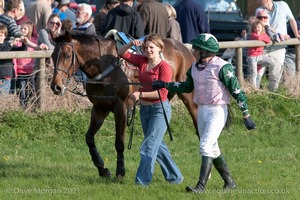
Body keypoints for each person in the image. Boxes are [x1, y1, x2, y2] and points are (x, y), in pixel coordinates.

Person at [152, 33, 256, 193]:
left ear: (205, 52)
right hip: (202, 110)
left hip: (218, 111)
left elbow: (237, 92)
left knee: (205, 145)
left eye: (196, 49)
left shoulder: (222, 67)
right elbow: (186, 87)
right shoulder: (194, 66)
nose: (193, 51)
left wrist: (246, 115)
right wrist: (165, 84)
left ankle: (200, 186)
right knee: (213, 148)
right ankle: (229, 182)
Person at [117, 33, 183, 186]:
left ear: (160, 48)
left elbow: (162, 93)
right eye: (145, 47)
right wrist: (131, 44)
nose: (148, 50)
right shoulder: (142, 61)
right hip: (145, 111)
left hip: (159, 110)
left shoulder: (164, 67)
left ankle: (141, 183)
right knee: (157, 146)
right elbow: (121, 53)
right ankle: (175, 177)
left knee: (148, 147)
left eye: (151, 47)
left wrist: (141, 94)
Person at [256, 0, 300, 91]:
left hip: (279, 48)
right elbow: (267, 27)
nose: (257, 1)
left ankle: (273, 95)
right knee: (257, 73)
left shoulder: (283, 5)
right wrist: (281, 35)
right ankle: (253, 92)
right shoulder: (259, 11)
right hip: (263, 47)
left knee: (275, 75)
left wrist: (296, 35)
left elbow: (291, 19)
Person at [14, 21, 47, 108]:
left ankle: (31, 108)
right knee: (22, 92)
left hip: (31, 71)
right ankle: (23, 108)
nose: (23, 30)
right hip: (20, 72)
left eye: (25, 29)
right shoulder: (17, 42)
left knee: (31, 92)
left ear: (30, 30)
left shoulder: (34, 41)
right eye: (21, 28)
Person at [0, 23, 26, 95]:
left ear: (5, 36)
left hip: (8, 76)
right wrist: (11, 44)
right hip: (1, 76)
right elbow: (2, 51)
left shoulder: (7, 45)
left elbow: (21, 49)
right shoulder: (8, 45)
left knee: (7, 96)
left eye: (1, 35)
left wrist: (24, 42)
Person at [246, 20, 273, 89]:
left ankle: (259, 65)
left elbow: (269, 39)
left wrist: (263, 37)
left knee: (271, 61)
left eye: (258, 27)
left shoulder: (264, 34)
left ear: (262, 28)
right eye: (255, 27)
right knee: (254, 73)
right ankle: (254, 88)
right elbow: (258, 38)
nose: (257, 29)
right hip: (252, 56)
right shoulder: (252, 34)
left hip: (260, 56)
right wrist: (263, 37)